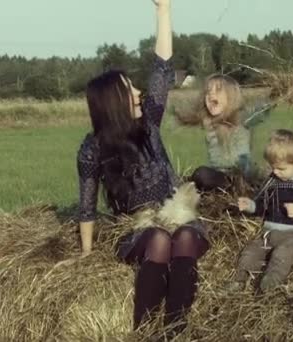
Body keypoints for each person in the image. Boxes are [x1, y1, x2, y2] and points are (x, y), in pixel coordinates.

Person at [76, 0, 207, 333]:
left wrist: (163, 11)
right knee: (161, 240)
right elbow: (87, 207)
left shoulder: (148, 123)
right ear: (112, 103)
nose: (138, 92)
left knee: (187, 235)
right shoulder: (92, 148)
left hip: (177, 211)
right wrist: (87, 255)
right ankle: (146, 331)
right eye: (129, 89)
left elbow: (162, 68)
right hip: (138, 229)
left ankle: (176, 329)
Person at [227, 129, 293, 292]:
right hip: (270, 233)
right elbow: (264, 204)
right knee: (251, 251)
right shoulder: (273, 180)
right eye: (272, 167)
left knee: (282, 254)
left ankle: (269, 285)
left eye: (281, 169)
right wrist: (251, 206)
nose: (275, 172)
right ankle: (239, 280)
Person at [175, 74, 275, 192]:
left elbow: (262, 111)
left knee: (201, 174)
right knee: (198, 177)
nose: (211, 94)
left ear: (232, 97)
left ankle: (237, 189)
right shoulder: (208, 121)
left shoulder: (241, 118)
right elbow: (191, 116)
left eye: (218, 90)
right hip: (218, 175)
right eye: (208, 91)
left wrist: (276, 94)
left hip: (239, 177)